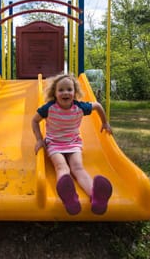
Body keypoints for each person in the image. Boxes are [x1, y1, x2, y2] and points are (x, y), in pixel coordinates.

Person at [31, 74, 113, 215]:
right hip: (54, 144)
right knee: (61, 166)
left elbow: (98, 106)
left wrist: (105, 122)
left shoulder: (80, 107)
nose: (65, 93)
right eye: (61, 90)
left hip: (73, 143)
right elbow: (34, 121)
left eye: (69, 89)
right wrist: (39, 139)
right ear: (54, 93)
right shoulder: (49, 108)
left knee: (78, 168)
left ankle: (96, 197)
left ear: (74, 92)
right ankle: (69, 198)